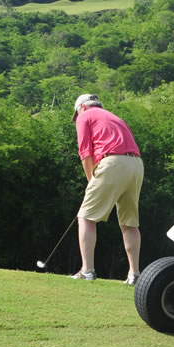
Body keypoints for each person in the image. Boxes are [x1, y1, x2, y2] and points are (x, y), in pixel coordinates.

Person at [70, 94, 144, 285]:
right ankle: (134, 274)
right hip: (136, 164)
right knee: (130, 223)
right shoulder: (115, 118)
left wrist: (90, 181)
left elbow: (85, 153)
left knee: (86, 217)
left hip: (112, 162)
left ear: (82, 108)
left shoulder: (85, 116)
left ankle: (87, 271)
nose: (76, 119)